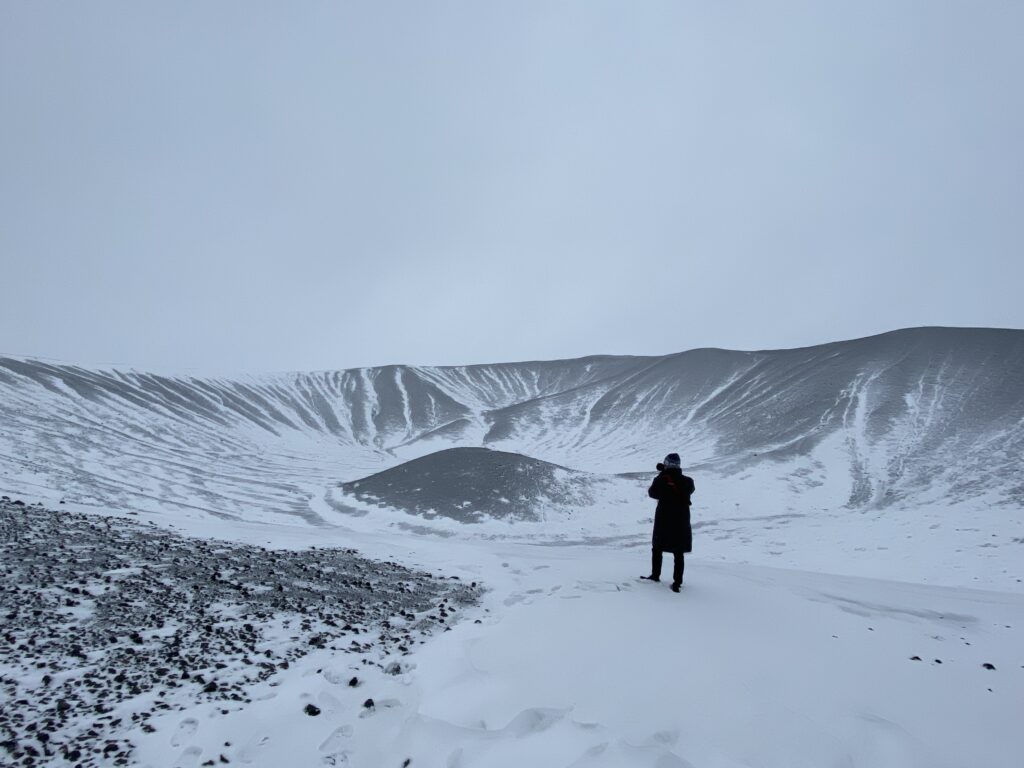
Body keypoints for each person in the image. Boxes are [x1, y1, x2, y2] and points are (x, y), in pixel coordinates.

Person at [642, 453, 695, 592]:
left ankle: (655, 575)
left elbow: (652, 493)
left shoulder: (662, 479)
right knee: (678, 552)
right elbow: (690, 489)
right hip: (681, 521)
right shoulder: (688, 481)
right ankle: (677, 582)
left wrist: (662, 474)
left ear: (666, 464)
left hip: (664, 519)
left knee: (657, 548)